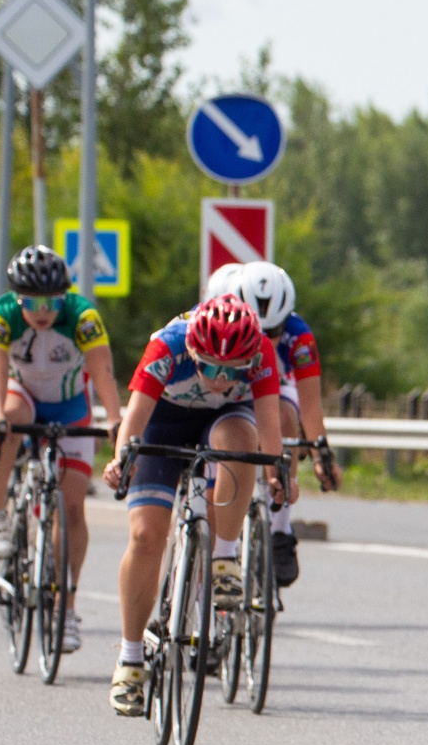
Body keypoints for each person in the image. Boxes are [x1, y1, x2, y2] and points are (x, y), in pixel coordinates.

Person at [99, 293, 289, 717]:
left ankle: (223, 558)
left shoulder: (260, 354)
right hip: (163, 420)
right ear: (192, 351)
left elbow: (270, 429)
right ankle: (130, 661)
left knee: (243, 443)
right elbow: (134, 418)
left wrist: (277, 475)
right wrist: (120, 459)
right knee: (147, 536)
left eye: (231, 370)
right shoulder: (167, 345)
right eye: (209, 366)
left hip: (224, 422)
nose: (219, 379)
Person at [0, 245, 120, 655]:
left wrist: (114, 420)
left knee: (72, 506)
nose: (43, 312)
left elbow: (103, 372)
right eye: (32, 303)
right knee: (10, 414)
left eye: (53, 302)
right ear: (16, 298)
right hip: (16, 391)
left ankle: (66, 609)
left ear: (65, 296)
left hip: (68, 402)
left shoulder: (83, 318)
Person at [207, 261, 337, 586]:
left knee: (284, 417)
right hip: (234, 386)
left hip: (277, 387)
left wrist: (321, 454)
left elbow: (310, 405)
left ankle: (280, 528)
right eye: (259, 331)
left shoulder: (300, 337)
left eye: (275, 331)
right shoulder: (225, 325)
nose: (266, 339)